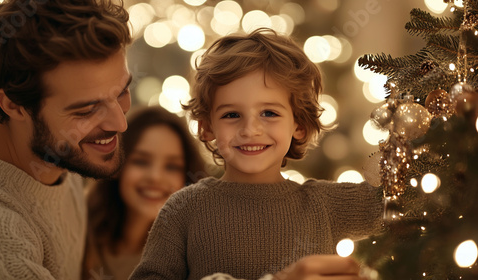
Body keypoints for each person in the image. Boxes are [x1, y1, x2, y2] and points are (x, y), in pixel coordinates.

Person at [129, 28, 383, 280]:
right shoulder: (184, 209)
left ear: (299, 124)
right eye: (231, 115)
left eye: (269, 113)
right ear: (206, 127)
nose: (250, 130)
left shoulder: (325, 205)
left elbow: (408, 203)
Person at [0, 0, 131, 279]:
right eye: (86, 110)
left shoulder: (54, 148)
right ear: (13, 106)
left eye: (121, 93)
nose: (120, 123)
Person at [83, 106, 206, 280]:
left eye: (172, 167)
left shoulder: (194, 259)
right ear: (117, 164)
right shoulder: (76, 227)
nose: (155, 177)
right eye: (141, 161)